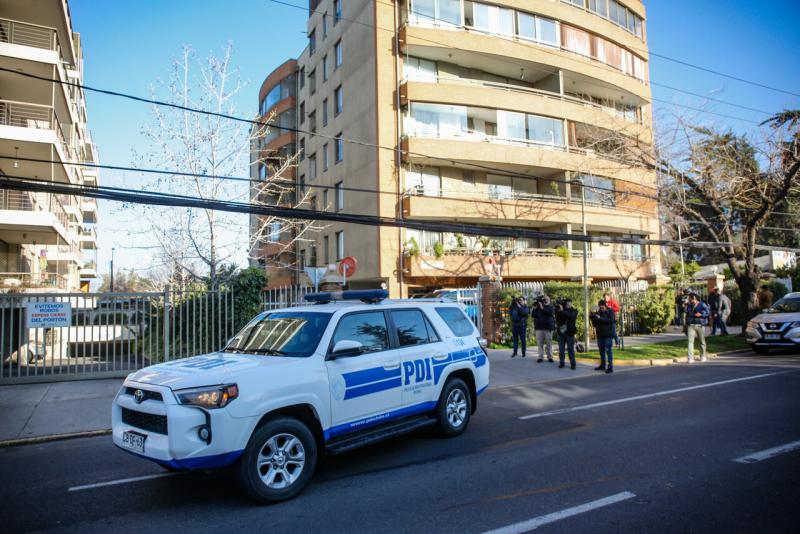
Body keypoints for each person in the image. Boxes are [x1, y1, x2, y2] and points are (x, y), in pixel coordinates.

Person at [590, 300, 616, 374]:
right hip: (600, 335)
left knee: (608, 351)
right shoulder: (598, 313)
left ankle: (610, 367)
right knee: (601, 351)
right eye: (600, 307)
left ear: (605, 306)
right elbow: (595, 324)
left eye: (602, 307)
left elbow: (611, 320)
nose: (601, 309)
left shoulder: (610, 311)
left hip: (608, 335)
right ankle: (602, 365)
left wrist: (600, 318)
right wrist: (592, 317)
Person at [685, 293, 709, 363]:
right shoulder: (688, 305)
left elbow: (707, 313)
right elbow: (686, 314)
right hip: (691, 325)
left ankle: (703, 356)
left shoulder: (702, 304)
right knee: (690, 342)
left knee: (702, 341)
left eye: (690, 298)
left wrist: (701, 314)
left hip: (700, 325)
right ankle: (690, 357)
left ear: (694, 298)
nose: (689, 300)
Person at [555, 298, 578, 370]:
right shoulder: (561, 310)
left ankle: (573, 364)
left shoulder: (574, 310)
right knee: (561, 349)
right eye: (567, 302)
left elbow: (572, 317)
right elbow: (557, 319)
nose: (568, 304)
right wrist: (558, 310)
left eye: (569, 302)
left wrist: (562, 310)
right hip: (561, 333)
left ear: (571, 303)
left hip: (570, 333)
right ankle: (562, 363)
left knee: (570, 349)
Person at [532, 295, 556, 363]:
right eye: (544, 299)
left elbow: (549, 313)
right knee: (540, 344)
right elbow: (533, 315)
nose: (545, 300)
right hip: (539, 328)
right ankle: (540, 357)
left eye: (547, 299)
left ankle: (550, 357)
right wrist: (535, 308)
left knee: (549, 344)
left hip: (548, 328)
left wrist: (542, 307)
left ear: (549, 300)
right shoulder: (538, 307)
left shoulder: (551, 307)